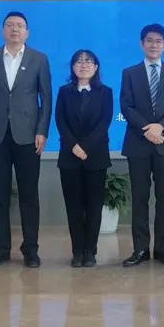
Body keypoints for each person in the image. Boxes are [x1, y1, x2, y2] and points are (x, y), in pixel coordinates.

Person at [0, 11, 52, 269]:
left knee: (29, 194)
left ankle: (31, 250)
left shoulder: (39, 58)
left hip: (28, 135)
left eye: (20, 26)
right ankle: (1, 249)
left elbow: (46, 98)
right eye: (10, 25)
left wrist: (42, 131)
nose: (15, 29)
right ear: (2, 31)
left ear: (27, 32)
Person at [119, 23, 164, 267]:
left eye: (158, 41)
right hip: (138, 142)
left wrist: (161, 127)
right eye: (149, 40)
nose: (154, 44)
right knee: (139, 198)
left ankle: (162, 249)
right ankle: (140, 250)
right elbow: (126, 106)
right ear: (141, 43)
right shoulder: (129, 73)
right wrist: (148, 129)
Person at [54, 49, 113, 268]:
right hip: (69, 157)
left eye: (89, 61)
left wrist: (85, 146)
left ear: (96, 67)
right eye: (79, 61)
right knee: (73, 206)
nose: (84, 65)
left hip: (95, 155)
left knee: (94, 205)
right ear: (73, 67)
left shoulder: (105, 92)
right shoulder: (64, 92)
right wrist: (74, 146)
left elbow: (104, 123)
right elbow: (60, 121)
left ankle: (90, 250)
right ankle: (77, 250)